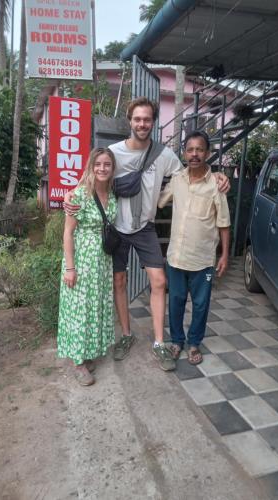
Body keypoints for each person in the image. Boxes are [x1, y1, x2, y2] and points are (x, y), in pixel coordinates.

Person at [64, 97, 230, 371]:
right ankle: (127, 335)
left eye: (147, 119)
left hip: (144, 228)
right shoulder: (114, 152)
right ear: (130, 121)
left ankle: (158, 342)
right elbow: (93, 175)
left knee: (159, 280)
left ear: (153, 122)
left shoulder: (164, 155)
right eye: (137, 119)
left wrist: (221, 177)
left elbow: (192, 173)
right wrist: (72, 192)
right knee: (119, 281)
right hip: (116, 226)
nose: (142, 124)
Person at [158, 130, 230, 365]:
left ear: (207, 153)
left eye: (200, 149)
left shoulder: (216, 185)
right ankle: (177, 342)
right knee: (176, 302)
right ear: (184, 153)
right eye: (190, 150)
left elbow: (224, 223)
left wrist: (225, 255)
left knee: (200, 305)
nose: (195, 154)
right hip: (176, 257)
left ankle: (194, 343)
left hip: (202, 259)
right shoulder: (177, 179)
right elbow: (159, 200)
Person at [57, 147, 117, 386]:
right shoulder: (80, 195)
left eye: (107, 165)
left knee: (95, 307)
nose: (102, 169)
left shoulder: (112, 195)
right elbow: (68, 233)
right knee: (79, 310)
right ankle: (78, 362)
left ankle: (88, 351)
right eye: (98, 164)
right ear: (91, 167)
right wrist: (70, 268)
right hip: (81, 261)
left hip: (102, 262)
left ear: (112, 169)